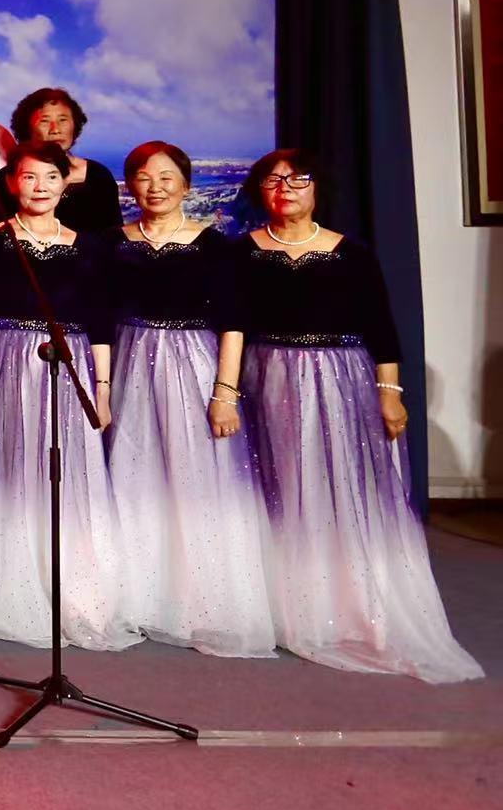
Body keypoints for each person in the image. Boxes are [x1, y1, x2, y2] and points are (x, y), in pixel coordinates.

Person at [234, 149, 481, 682]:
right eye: (274, 181)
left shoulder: (352, 253)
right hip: (267, 377)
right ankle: (289, 605)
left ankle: (347, 603)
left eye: (298, 179)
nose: (286, 189)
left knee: (339, 487)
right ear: (260, 191)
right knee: (281, 489)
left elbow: (380, 325)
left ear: (317, 187)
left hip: (339, 378)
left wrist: (389, 391)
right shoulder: (243, 252)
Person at [0, 142, 134, 651]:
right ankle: (12, 589)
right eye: (29, 177)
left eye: (50, 178)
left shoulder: (89, 246)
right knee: (11, 470)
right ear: (13, 182)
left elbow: (100, 324)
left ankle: (72, 590)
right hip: (9, 362)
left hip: (69, 364)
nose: (39, 187)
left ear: (65, 184)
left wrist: (102, 391)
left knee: (68, 475)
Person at [104, 142, 275, 659]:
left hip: (193, 364)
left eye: (165, 177)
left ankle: (202, 602)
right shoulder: (112, 242)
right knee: (133, 477)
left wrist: (225, 393)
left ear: (185, 184)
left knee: (198, 480)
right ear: (130, 185)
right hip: (131, 362)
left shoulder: (215, 245)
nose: (154, 187)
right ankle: (139, 597)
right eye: (142, 177)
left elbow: (234, 324)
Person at [0, 88, 121, 234]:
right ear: (27, 128)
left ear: (75, 124)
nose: (55, 130)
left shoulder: (98, 175)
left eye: (63, 120)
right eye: (44, 121)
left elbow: (114, 236)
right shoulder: (7, 177)